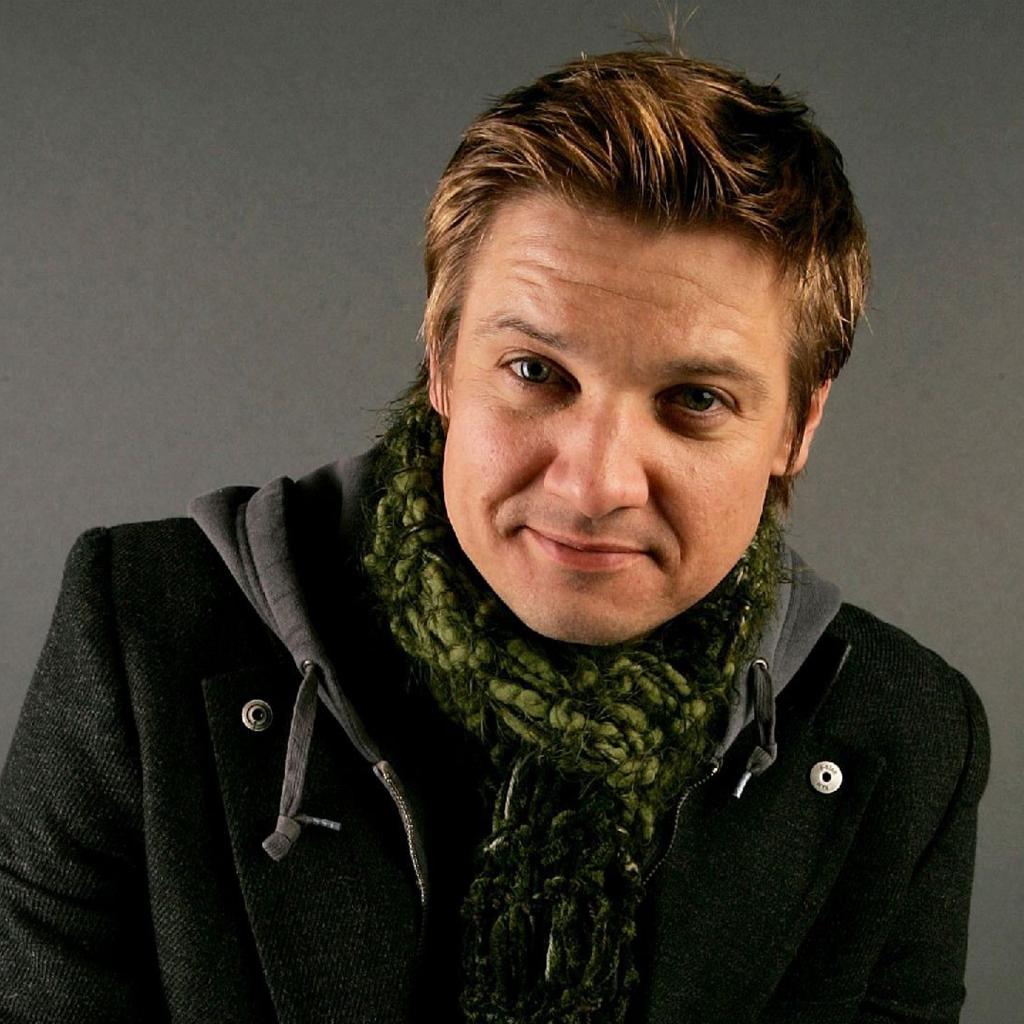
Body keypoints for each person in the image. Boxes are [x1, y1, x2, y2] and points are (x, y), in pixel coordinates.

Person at [0, 49, 990, 1024]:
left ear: (795, 429)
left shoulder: (908, 739)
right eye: (535, 373)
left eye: (694, 400)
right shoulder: (142, 635)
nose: (595, 483)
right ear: (440, 361)